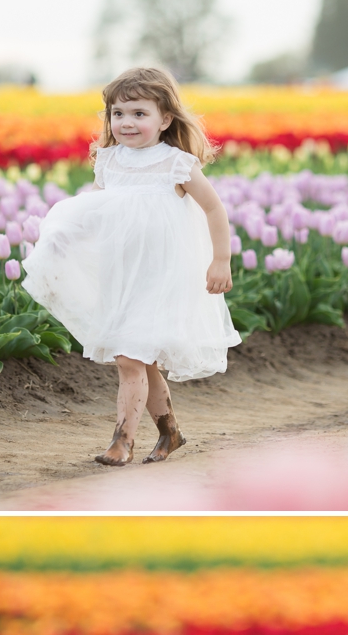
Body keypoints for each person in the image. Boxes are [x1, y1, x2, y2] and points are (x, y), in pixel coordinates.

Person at [21, 66, 240, 464]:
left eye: (139, 113)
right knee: (140, 357)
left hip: (162, 276)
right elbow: (95, 211)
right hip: (121, 275)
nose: (126, 122)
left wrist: (220, 260)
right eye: (118, 113)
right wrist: (63, 241)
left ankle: (122, 441)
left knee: (128, 358)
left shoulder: (176, 163)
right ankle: (169, 432)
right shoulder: (109, 162)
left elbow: (214, 209)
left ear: (165, 120)